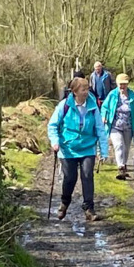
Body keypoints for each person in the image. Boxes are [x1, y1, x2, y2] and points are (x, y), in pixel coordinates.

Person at [48, 77, 109, 222]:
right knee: (70, 178)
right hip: (68, 148)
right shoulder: (64, 105)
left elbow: (100, 129)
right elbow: (52, 125)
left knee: (87, 176)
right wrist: (55, 142)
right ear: (75, 91)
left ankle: (89, 208)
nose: (87, 92)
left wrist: (104, 150)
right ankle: (65, 202)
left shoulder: (93, 107)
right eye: (84, 89)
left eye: (88, 88)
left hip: (88, 147)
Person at [101, 73, 134, 179]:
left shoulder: (133, 96)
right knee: (118, 145)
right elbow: (104, 107)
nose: (122, 87)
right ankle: (120, 166)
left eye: (124, 84)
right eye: (120, 84)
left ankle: (124, 165)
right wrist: (104, 116)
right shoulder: (112, 95)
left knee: (126, 148)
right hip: (115, 126)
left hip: (128, 126)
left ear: (127, 84)